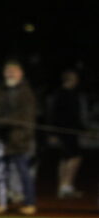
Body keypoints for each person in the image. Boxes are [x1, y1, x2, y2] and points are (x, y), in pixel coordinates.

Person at [0, 60, 37, 215]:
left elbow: (25, 117)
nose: (10, 74)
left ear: (21, 73)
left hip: (20, 138)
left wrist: (2, 122)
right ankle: (2, 202)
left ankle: (29, 202)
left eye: (13, 71)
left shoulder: (26, 92)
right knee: (1, 172)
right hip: (2, 138)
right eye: (8, 71)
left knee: (23, 171)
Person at [47, 69, 87, 199]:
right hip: (65, 132)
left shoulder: (67, 94)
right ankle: (65, 186)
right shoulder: (63, 94)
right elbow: (55, 114)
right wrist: (53, 133)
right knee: (74, 158)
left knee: (66, 158)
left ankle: (64, 187)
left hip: (68, 131)